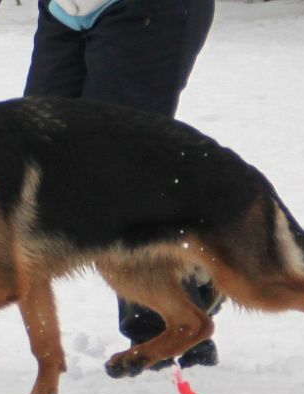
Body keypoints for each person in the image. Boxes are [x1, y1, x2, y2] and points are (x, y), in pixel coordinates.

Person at [23, 0, 222, 367]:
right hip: (66, 9)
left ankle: (163, 330)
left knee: (115, 164)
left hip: (146, 9)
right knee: (42, 151)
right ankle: (199, 271)